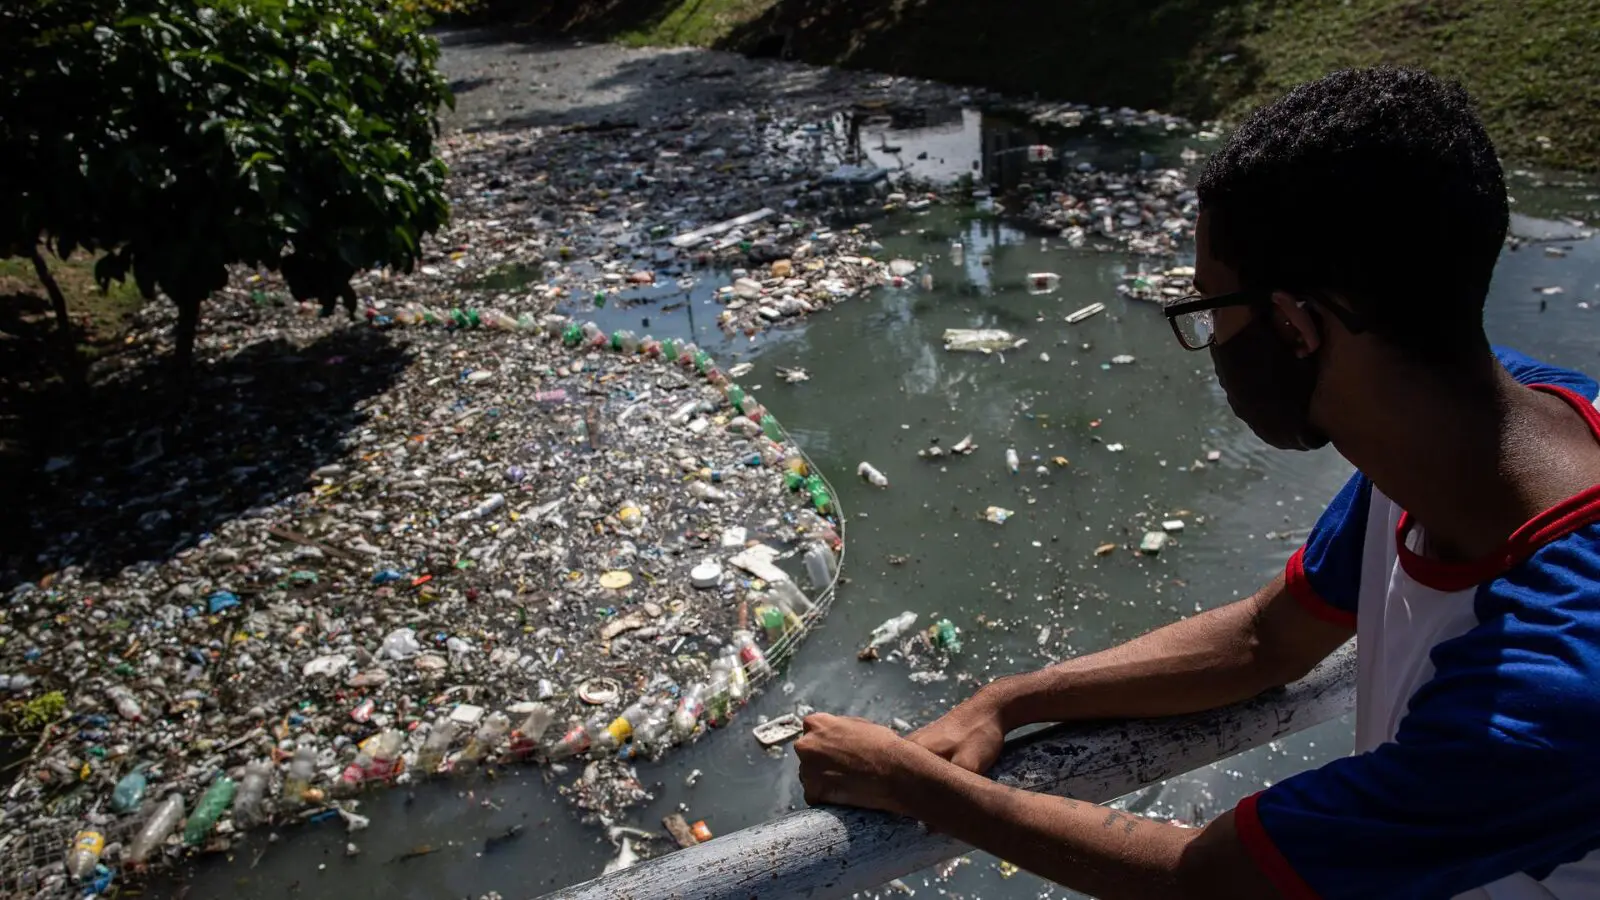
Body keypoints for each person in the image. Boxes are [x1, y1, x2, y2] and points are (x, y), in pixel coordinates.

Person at [795, 66, 1600, 900]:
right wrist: (1008, 700)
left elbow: (1209, 882)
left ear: (1293, 326)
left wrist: (908, 782)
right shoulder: (1462, 433)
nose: (1212, 339)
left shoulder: (1557, 686)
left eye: (1213, 309)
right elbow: (1267, 641)